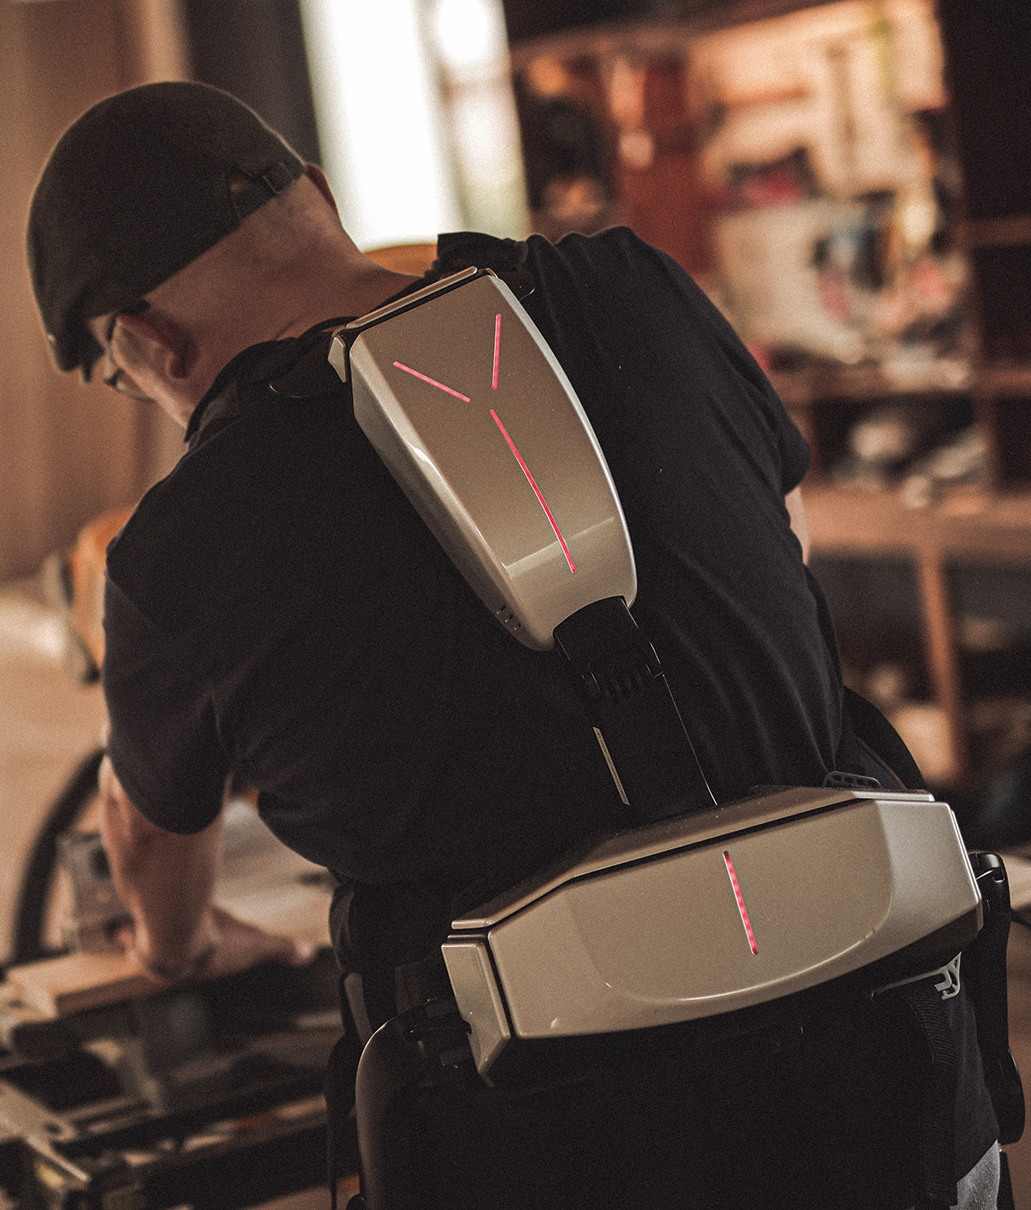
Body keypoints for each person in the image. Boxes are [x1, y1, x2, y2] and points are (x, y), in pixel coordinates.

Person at [27, 82, 1001, 1209]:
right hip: (895, 1070)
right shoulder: (634, 288)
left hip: (553, 1139)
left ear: (149, 343)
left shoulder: (176, 550)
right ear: (322, 195)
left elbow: (148, 836)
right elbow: (778, 541)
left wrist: (179, 952)